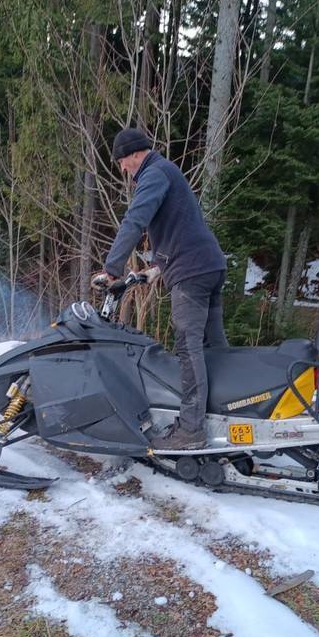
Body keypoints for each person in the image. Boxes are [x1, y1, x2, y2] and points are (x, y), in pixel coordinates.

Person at [91, 127, 228, 450]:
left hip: (192, 273)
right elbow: (183, 227)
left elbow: (135, 221)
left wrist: (111, 270)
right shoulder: (167, 172)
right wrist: (156, 269)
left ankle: (192, 430)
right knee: (214, 346)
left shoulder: (154, 174)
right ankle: (225, 417)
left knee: (188, 346)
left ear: (136, 154)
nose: (122, 168)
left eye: (122, 161)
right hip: (208, 265)